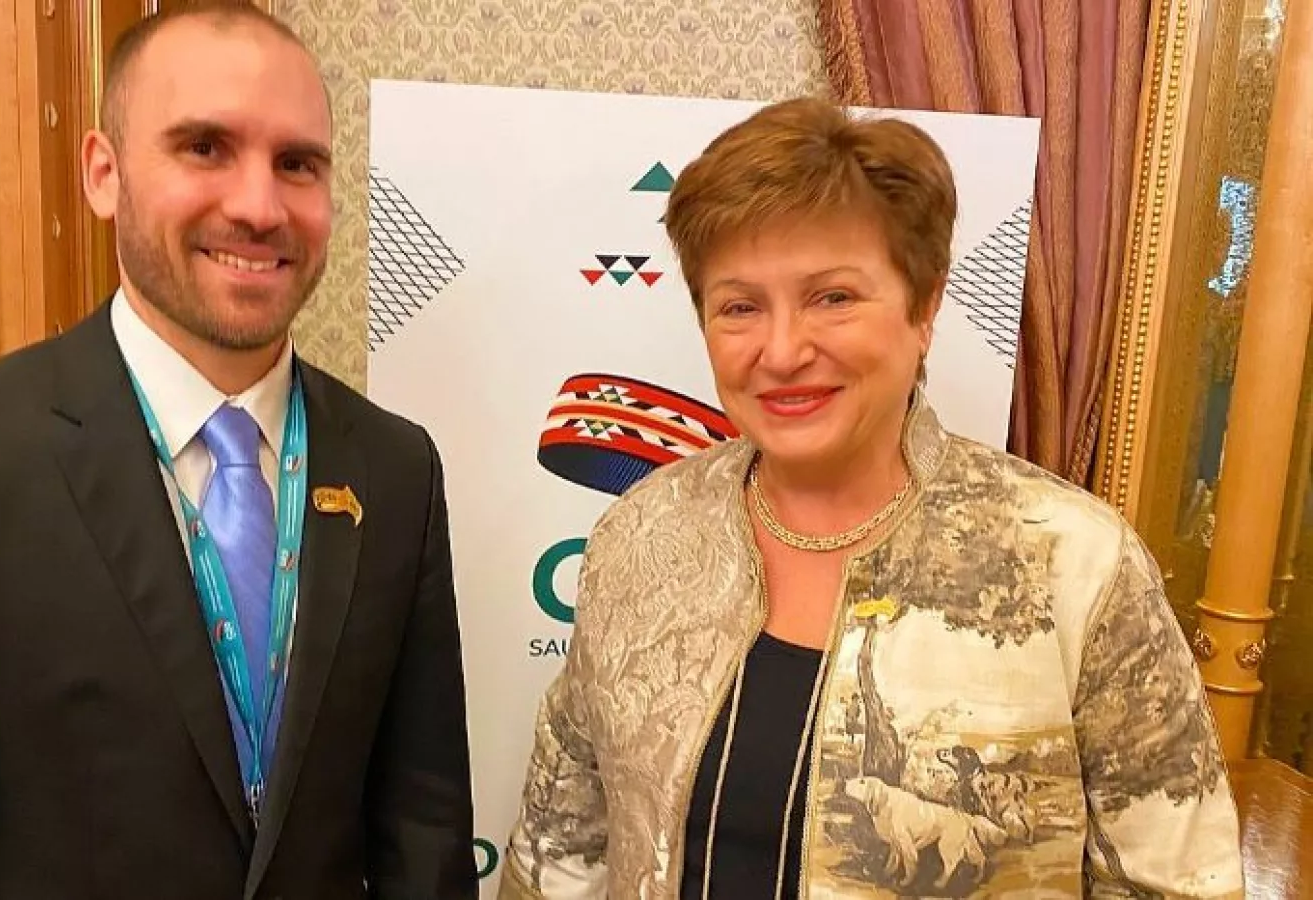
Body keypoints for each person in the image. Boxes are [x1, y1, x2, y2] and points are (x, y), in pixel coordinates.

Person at [0, 4, 475, 897]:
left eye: (297, 163)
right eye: (205, 147)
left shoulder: (395, 469)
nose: (259, 206)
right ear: (103, 173)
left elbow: (424, 832)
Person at [500, 98, 1242, 898]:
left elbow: (1178, 881)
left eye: (833, 297)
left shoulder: (1074, 563)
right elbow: (560, 847)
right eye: (741, 306)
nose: (783, 350)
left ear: (924, 307)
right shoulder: (642, 534)